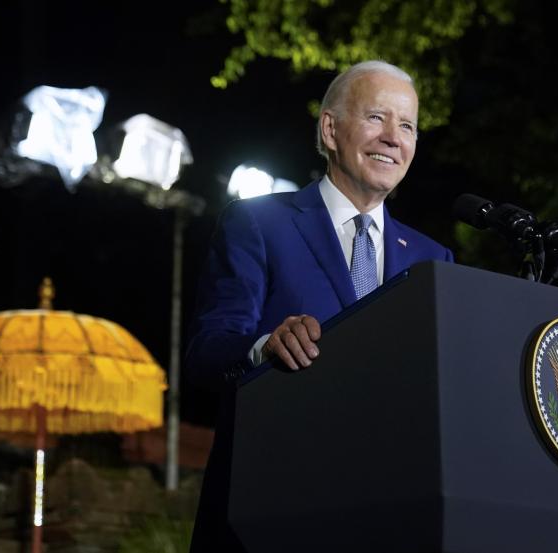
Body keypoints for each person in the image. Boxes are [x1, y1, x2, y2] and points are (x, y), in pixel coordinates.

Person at [186, 60, 453, 551]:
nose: (394, 137)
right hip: (272, 507)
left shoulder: (434, 259)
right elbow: (208, 350)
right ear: (330, 129)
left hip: (387, 514)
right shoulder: (258, 224)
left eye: (408, 125)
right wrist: (265, 348)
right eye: (376, 117)